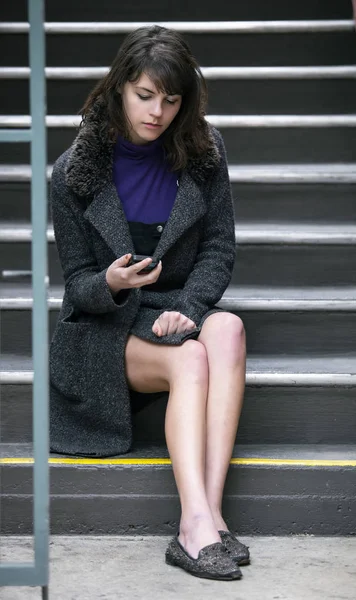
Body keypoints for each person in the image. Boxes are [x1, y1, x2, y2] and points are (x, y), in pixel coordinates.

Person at [49, 25, 248, 580]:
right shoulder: (72, 173)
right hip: (107, 329)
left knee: (226, 330)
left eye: (171, 98)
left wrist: (190, 304)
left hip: (176, 306)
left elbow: (218, 247)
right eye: (144, 95)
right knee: (190, 358)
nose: (157, 111)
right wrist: (110, 281)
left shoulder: (203, 152)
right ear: (118, 89)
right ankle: (197, 526)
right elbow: (77, 286)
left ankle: (205, 517)